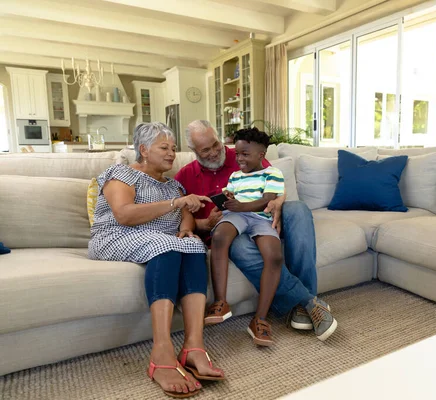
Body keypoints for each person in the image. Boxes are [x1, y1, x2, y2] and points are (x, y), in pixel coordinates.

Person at [88, 122, 224, 398]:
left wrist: (187, 226)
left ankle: (193, 346)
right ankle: (161, 353)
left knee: (194, 246)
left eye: (174, 148)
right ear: (143, 150)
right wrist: (177, 204)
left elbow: (184, 214)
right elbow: (124, 214)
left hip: (158, 240)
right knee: (167, 244)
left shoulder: (173, 185)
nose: (172, 153)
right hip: (115, 236)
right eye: (164, 147)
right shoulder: (121, 175)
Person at [174, 120, 337, 342]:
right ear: (193, 151)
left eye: (216, 144)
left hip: (262, 216)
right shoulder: (184, 176)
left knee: (298, 209)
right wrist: (207, 223)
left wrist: (279, 203)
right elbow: (182, 218)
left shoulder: (243, 152)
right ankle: (308, 303)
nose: (214, 152)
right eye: (205, 149)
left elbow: (274, 182)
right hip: (231, 228)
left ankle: (303, 303)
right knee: (239, 246)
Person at [209, 128, 285, 346]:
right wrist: (228, 198)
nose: (239, 159)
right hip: (236, 215)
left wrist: (242, 205)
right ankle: (221, 302)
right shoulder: (234, 176)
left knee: (274, 256)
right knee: (220, 237)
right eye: (237, 154)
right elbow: (230, 197)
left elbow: (267, 200)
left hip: (260, 218)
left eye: (245, 154)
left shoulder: (273, 173)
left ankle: (260, 319)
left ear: (261, 155)